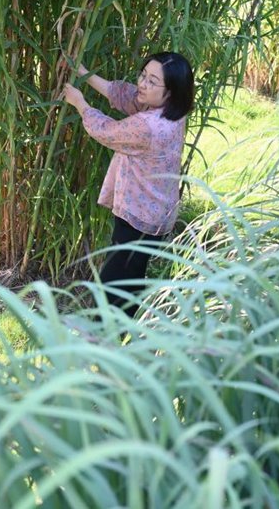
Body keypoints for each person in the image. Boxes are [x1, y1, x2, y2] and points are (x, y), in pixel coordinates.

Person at [63, 52, 195, 319]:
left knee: (115, 279)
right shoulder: (171, 111)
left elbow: (105, 131)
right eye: (143, 75)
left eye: (152, 81)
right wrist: (82, 72)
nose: (143, 84)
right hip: (157, 212)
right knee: (132, 275)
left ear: (170, 92)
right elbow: (124, 95)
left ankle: (103, 337)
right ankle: (125, 330)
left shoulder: (149, 126)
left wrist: (80, 103)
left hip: (139, 216)